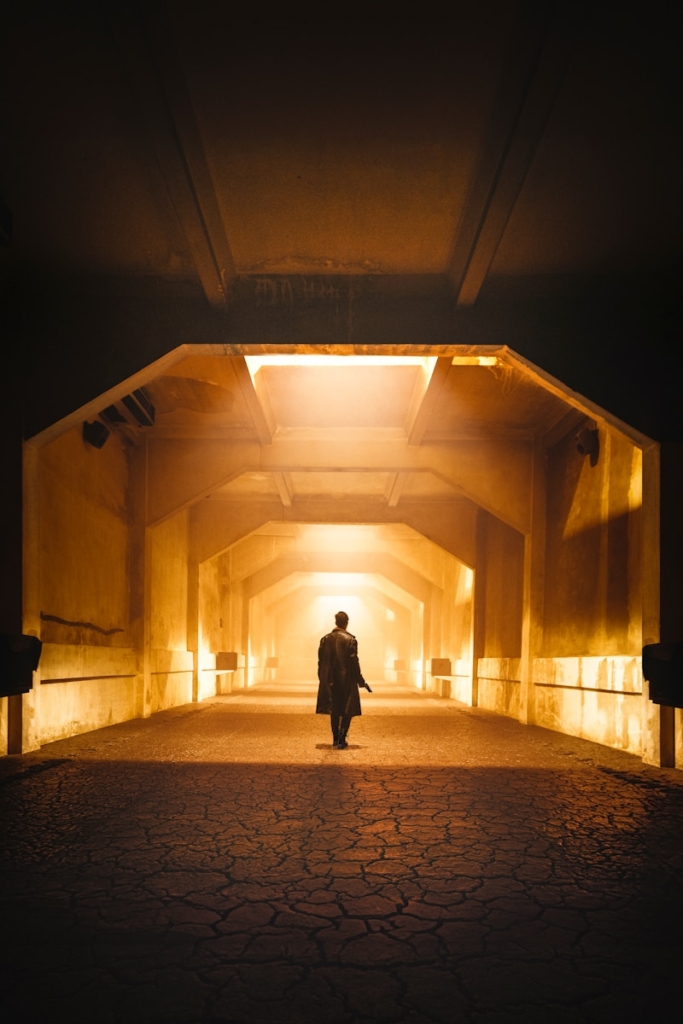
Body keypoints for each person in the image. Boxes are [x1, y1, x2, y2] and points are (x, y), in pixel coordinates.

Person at [316, 611, 371, 749]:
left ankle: (335, 738)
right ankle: (342, 735)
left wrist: (322, 678)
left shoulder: (325, 639)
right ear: (346, 623)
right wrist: (360, 681)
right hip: (346, 679)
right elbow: (354, 662)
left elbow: (320, 661)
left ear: (336, 622)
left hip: (329, 679)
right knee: (348, 709)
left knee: (334, 709)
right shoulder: (350, 640)